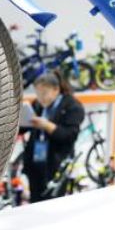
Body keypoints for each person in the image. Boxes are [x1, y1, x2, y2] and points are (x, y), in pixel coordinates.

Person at [22, 71, 85, 203]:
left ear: (56, 89)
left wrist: (47, 126)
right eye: (38, 94)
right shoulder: (37, 104)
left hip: (57, 166)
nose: (41, 98)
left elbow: (69, 136)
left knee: (53, 204)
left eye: (44, 94)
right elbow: (26, 127)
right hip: (35, 163)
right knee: (35, 202)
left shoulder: (73, 107)